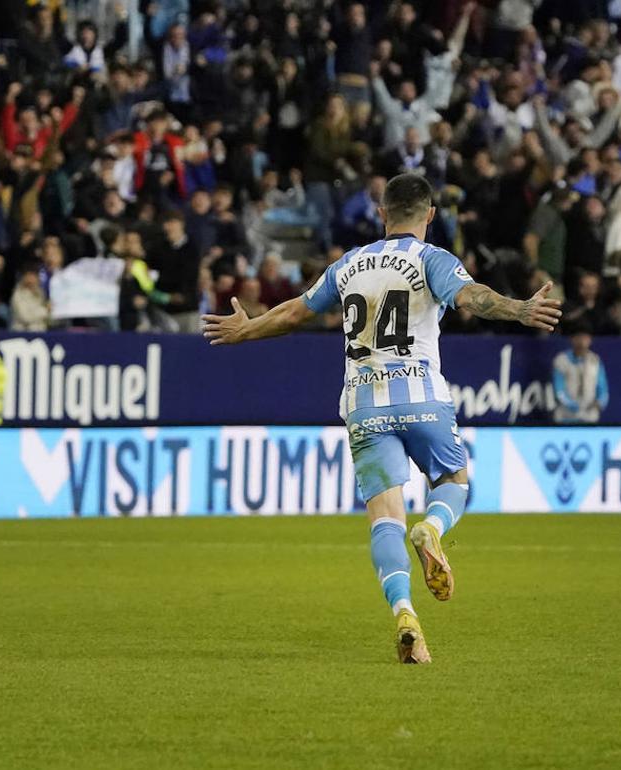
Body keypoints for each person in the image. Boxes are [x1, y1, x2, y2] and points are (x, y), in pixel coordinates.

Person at [202, 173, 562, 663]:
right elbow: (471, 297)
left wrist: (247, 331)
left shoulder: (349, 264)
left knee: (384, 518)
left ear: (381, 213)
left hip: (363, 403)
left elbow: (293, 314)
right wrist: (518, 309)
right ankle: (433, 527)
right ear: (430, 215)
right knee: (453, 478)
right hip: (421, 395)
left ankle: (405, 614)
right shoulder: (432, 259)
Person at [552, 321, 609, 424]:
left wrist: (599, 403)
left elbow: (603, 388)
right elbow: (559, 390)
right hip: (566, 417)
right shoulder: (561, 360)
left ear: (590, 340)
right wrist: (574, 406)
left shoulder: (595, 361)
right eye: (578, 337)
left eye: (585, 338)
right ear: (572, 339)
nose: (582, 342)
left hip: (589, 417)